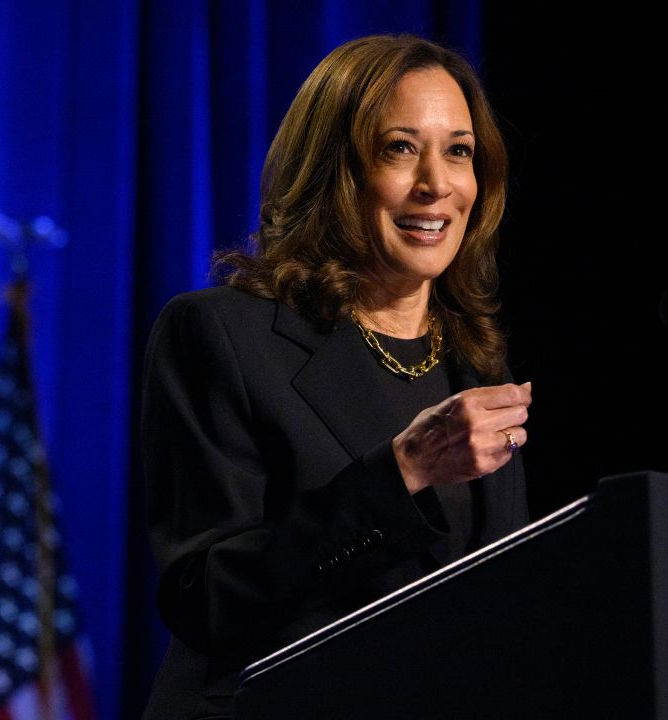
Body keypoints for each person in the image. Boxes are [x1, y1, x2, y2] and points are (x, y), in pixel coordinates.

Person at [140, 34, 531, 719]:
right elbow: (203, 595)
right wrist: (399, 474)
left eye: (459, 151)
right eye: (400, 148)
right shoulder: (221, 335)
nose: (436, 183)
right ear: (335, 170)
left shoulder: (476, 359)